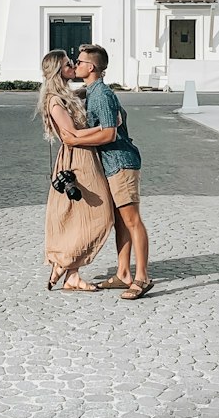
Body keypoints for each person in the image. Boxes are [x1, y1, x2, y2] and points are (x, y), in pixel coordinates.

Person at [68, 44, 153, 300]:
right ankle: (124, 273)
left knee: (132, 220)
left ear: (90, 67)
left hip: (121, 162)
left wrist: (75, 140)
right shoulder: (93, 92)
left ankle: (143, 277)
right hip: (112, 163)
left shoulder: (102, 95)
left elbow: (109, 133)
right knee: (120, 222)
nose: (76, 64)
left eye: (79, 61)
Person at [36, 49, 115, 293]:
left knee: (79, 216)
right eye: (69, 64)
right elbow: (71, 136)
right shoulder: (55, 100)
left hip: (85, 155)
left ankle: (71, 275)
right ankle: (64, 263)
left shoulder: (66, 95)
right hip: (77, 159)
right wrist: (106, 127)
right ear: (60, 70)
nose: (73, 66)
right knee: (101, 215)